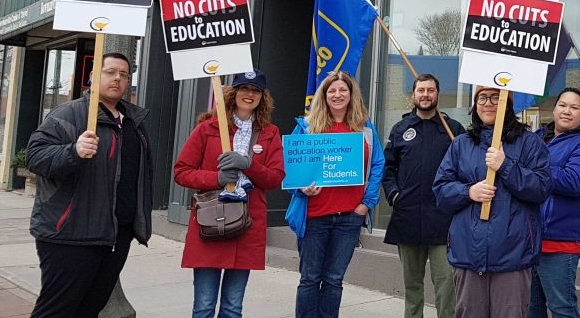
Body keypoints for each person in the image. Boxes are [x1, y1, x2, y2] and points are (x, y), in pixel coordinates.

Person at [26, 52, 151, 318]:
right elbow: (35, 157)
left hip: (116, 235)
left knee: (89, 309)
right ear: (94, 77)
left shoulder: (132, 122)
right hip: (71, 234)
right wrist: (73, 151)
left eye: (124, 74)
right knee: (57, 311)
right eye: (110, 72)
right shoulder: (70, 114)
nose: (117, 78)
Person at [173, 70, 285, 318]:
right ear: (233, 93)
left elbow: (276, 177)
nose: (249, 94)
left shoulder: (270, 132)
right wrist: (216, 178)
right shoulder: (208, 128)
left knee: (233, 308)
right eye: (244, 88)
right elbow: (181, 172)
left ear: (262, 97)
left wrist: (249, 164)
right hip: (211, 223)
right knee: (203, 306)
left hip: (247, 224)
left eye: (255, 90)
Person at [433, 86, 552, 318]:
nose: (488, 103)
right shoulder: (461, 144)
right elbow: (440, 190)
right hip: (468, 253)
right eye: (482, 98)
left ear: (508, 105)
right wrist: (469, 192)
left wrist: (505, 166)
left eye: (496, 98)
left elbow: (541, 188)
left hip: (512, 256)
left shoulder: (529, 143)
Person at [285, 71, 386, 318]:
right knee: (310, 278)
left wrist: (367, 203)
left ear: (351, 95)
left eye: (343, 90)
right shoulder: (307, 127)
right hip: (315, 216)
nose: (337, 95)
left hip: (349, 218)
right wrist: (302, 186)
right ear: (324, 95)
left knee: (334, 280)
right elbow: (291, 166)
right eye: (332, 91)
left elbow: (377, 165)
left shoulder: (365, 127)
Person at [382, 73, 465, 318]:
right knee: (413, 286)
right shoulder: (400, 129)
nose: (426, 95)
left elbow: (466, 169)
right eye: (421, 90)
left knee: (446, 285)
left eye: (430, 90)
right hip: (408, 217)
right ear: (413, 95)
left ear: (438, 95)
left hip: (443, 220)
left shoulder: (453, 130)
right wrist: (394, 195)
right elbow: (388, 169)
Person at [528, 87, 580, 318]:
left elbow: (573, 182)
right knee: (531, 309)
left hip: (560, 240)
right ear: (555, 107)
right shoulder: (537, 138)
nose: (567, 111)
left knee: (562, 308)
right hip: (530, 239)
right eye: (563, 105)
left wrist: (535, 170)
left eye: (574, 107)